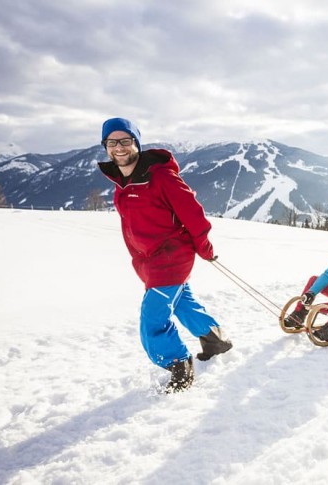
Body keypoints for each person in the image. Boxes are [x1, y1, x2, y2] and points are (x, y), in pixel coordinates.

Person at [97, 117, 232, 393]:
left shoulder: (161, 177)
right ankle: (215, 340)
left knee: (153, 319)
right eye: (112, 142)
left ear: (137, 142)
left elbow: (194, 215)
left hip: (171, 258)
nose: (119, 147)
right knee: (182, 301)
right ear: (105, 146)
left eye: (125, 140)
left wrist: (204, 248)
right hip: (148, 262)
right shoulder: (122, 181)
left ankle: (179, 365)